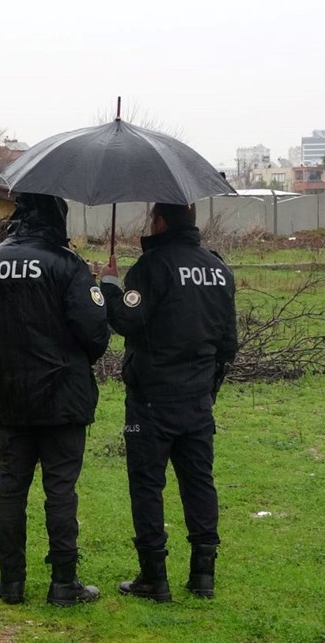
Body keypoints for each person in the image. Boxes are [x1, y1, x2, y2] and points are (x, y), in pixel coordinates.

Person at [0, 193, 110, 607]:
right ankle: (64, 582)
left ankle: (11, 582)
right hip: (63, 399)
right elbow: (95, 337)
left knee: (11, 490)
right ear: (57, 216)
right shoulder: (67, 265)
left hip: (9, 398)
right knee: (61, 490)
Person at [99, 202, 237, 602]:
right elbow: (228, 342)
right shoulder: (217, 268)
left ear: (159, 221)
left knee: (146, 486)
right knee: (198, 484)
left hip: (151, 400)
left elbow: (127, 321)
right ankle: (203, 575)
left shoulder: (152, 266)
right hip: (197, 400)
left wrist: (109, 286)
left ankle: (153, 577)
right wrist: (207, 390)